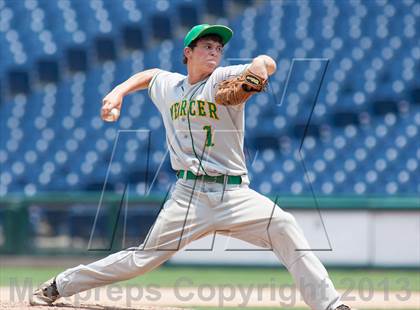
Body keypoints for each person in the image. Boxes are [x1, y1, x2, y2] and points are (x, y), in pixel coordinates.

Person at [31, 24, 352, 310]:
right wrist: (117, 93)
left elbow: (267, 62)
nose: (215, 51)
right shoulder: (170, 86)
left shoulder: (224, 78)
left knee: (283, 225)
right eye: (207, 46)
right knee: (142, 259)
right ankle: (60, 285)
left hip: (234, 193)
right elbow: (150, 75)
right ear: (188, 52)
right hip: (188, 196)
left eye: (218, 48)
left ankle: (331, 306)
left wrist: (258, 68)